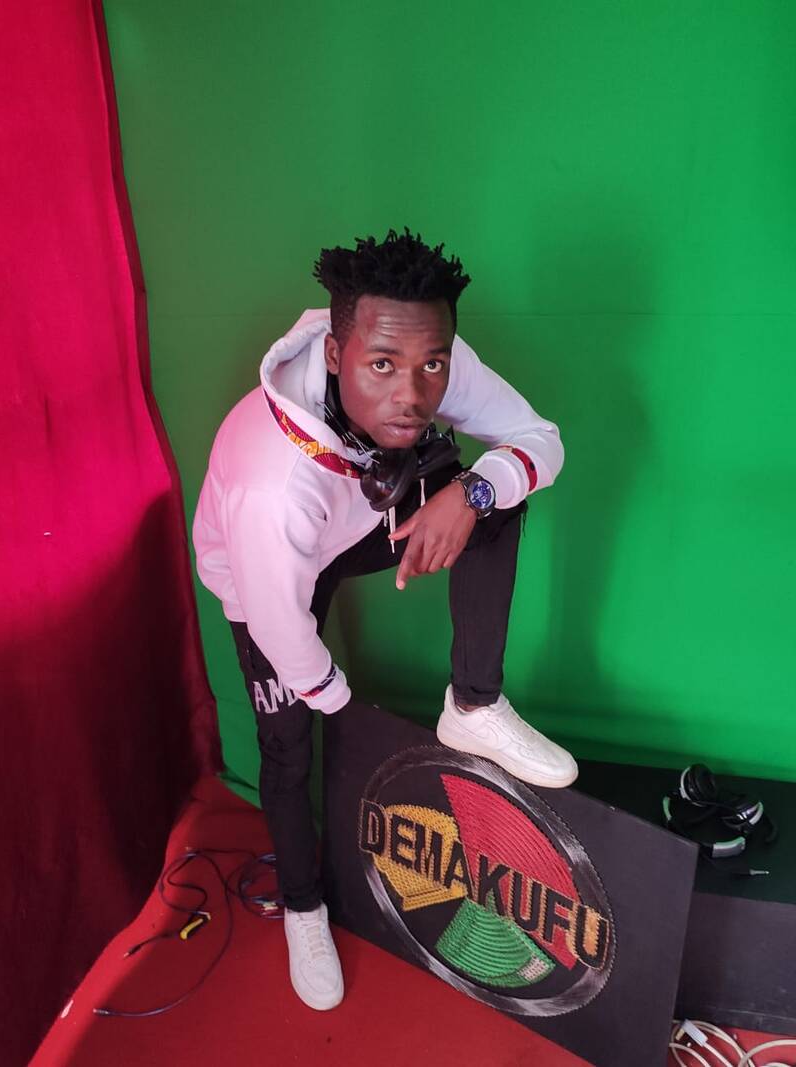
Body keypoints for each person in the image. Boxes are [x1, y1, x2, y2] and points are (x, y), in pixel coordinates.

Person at [192, 228, 576, 1012]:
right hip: (269, 573)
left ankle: (474, 704)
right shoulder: (272, 488)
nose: (413, 392)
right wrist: (342, 707)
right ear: (336, 355)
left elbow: (542, 440)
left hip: (361, 508)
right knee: (288, 743)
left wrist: (470, 494)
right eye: (382, 366)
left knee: (492, 501)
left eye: (431, 364)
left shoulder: (427, 354)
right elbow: (283, 630)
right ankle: (303, 906)